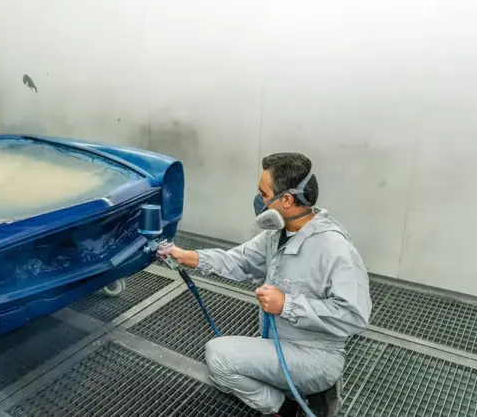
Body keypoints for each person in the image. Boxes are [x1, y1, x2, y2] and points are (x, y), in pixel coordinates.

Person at [159, 153, 371, 417]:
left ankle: (287, 408)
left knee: (220, 358)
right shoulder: (277, 235)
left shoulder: (334, 248)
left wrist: (287, 305)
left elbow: (355, 316)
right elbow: (240, 261)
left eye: (263, 193)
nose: (259, 200)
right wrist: (188, 256)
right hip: (282, 344)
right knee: (229, 357)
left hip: (315, 356)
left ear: (286, 200)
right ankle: (296, 387)